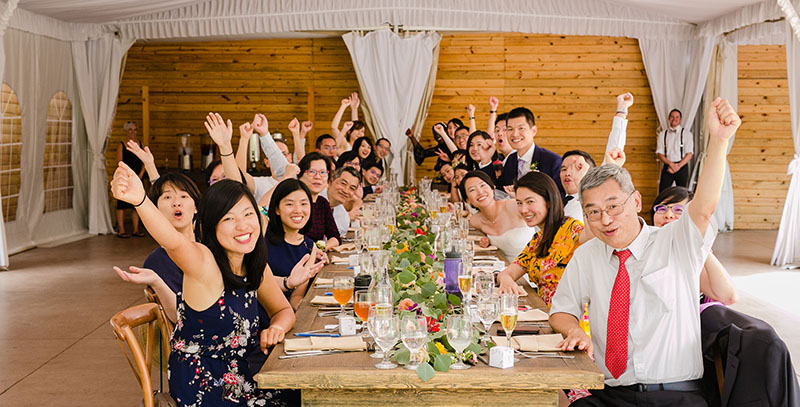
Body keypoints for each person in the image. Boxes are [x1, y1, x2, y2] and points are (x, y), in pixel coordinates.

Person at [549, 98, 740, 406]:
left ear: (636, 202)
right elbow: (560, 310)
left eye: (613, 207)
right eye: (593, 212)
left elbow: (703, 209)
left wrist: (719, 142)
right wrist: (575, 330)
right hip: (610, 394)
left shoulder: (674, 241)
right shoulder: (588, 256)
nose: (605, 220)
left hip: (675, 394)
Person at [111, 116, 304, 406]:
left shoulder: (253, 262)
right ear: (211, 225)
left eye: (248, 215)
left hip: (242, 378)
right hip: (203, 387)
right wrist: (140, 201)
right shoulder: (203, 261)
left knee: (307, 395)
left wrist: (277, 325)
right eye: (229, 219)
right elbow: (173, 241)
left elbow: (282, 310)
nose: (243, 226)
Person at [113, 172, 201, 323]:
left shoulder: (212, 246)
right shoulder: (157, 261)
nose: (176, 203)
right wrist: (156, 281)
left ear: (196, 208)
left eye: (184, 196)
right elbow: (179, 318)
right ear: (155, 211)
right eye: (167, 197)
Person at [496, 171, 592, 306]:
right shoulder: (537, 239)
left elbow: (592, 236)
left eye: (530, 202)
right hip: (543, 314)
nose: (523, 210)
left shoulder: (572, 229)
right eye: (519, 203)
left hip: (571, 319)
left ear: (548, 201)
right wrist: (506, 280)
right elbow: (507, 273)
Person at [651, 186, 737, 306]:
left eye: (678, 210)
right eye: (661, 208)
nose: (668, 214)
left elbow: (728, 296)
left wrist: (700, 246)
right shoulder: (645, 245)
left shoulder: (692, 256)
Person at [265, 179, 326, 310]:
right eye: (290, 204)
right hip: (261, 314)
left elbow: (296, 297)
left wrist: (305, 307)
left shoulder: (309, 247)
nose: (298, 210)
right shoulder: (261, 237)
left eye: (304, 204)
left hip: (286, 316)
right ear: (277, 209)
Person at [460, 171, 535, 260]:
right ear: (467, 200)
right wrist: (485, 240)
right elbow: (460, 231)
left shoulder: (513, 206)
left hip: (533, 267)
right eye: (472, 190)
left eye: (483, 185)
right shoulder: (476, 220)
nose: (480, 192)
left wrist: (522, 198)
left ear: (492, 188)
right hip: (504, 268)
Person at [497, 107, 563, 195]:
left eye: (521, 128)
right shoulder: (511, 160)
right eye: (510, 129)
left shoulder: (552, 161)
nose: (515, 134)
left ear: (533, 131)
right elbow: (499, 189)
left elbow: (559, 196)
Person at [297, 152, 341, 250]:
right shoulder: (295, 203)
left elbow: (335, 237)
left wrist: (322, 247)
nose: (318, 177)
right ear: (300, 175)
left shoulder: (322, 203)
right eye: (312, 172)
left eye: (323, 172)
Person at [115, 121, 145, 238]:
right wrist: (128, 176)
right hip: (126, 178)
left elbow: (144, 161)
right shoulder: (121, 145)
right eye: (130, 130)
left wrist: (140, 174)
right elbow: (120, 162)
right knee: (121, 204)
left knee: (136, 204)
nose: (133, 132)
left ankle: (136, 229)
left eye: (135, 129)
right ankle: (121, 229)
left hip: (138, 178)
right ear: (126, 131)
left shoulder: (140, 144)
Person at [657, 108, 694, 192]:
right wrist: (671, 165)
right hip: (668, 166)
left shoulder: (687, 134)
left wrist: (678, 166)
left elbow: (689, 154)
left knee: (682, 193)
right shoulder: (662, 134)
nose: (674, 119)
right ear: (669, 118)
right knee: (663, 193)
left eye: (677, 117)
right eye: (672, 117)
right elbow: (660, 153)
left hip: (682, 166)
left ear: (680, 119)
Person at [325, 167, 362, 237]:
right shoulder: (313, 200)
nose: (345, 191)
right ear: (331, 181)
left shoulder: (343, 217)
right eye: (343, 183)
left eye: (352, 188)